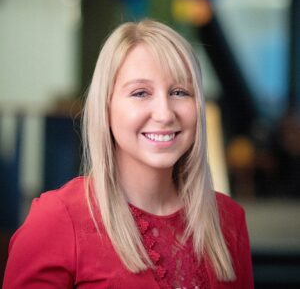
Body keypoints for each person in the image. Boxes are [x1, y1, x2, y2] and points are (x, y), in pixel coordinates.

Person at [3, 19, 254, 288]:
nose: (165, 113)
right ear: (106, 107)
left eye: (180, 92)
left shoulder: (228, 219)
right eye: (140, 93)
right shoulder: (57, 219)